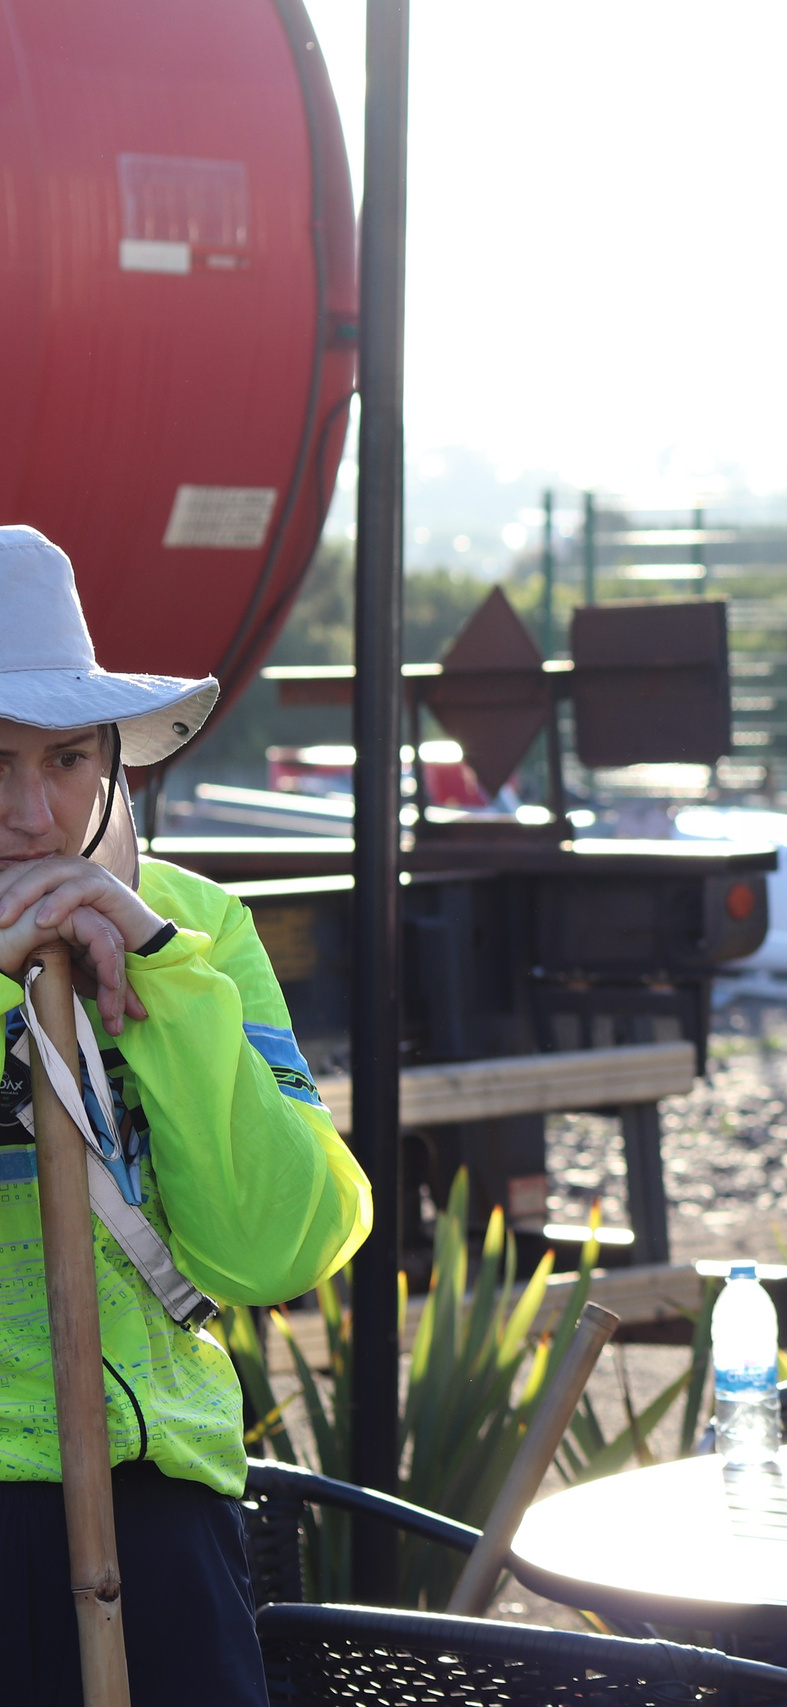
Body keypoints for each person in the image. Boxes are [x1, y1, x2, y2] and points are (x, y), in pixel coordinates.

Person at [0, 526, 372, 1705]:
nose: (33, 813)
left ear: (112, 759)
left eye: (65, 759)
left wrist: (161, 978)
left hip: (163, 1514)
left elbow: (279, 1252)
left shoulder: (195, 926)